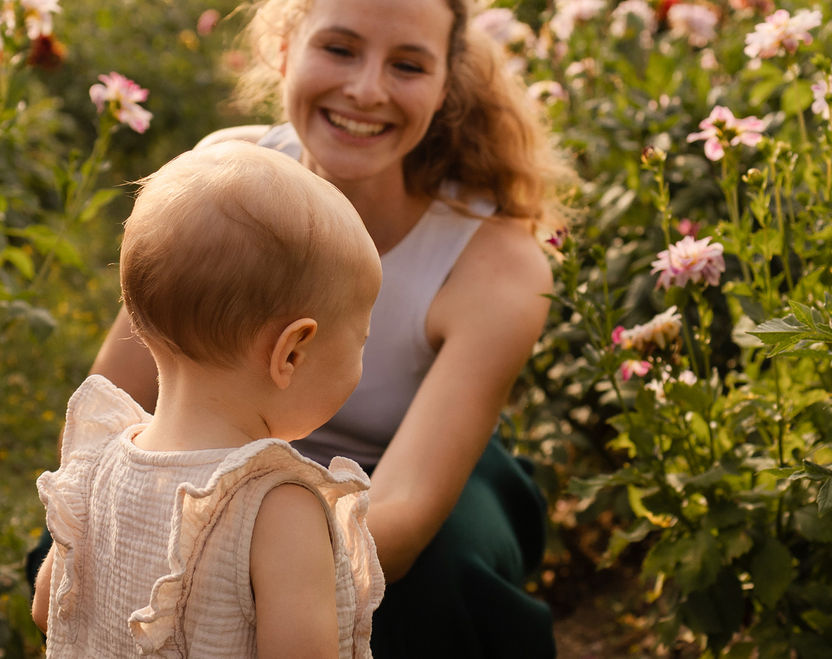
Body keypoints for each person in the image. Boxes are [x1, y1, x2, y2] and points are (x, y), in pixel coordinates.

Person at [86, 0, 576, 656]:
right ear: (286, 49)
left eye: (407, 64)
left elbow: (397, 524)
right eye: (340, 49)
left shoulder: (495, 262)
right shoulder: (224, 175)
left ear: (443, 87)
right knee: (83, 520)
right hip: (210, 456)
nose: (367, 89)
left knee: (447, 575)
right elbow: (112, 400)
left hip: (400, 476)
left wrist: (238, 545)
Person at [31, 142, 385, 657]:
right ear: (291, 352)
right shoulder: (278, 507)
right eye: (361, 342)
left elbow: (48, 608)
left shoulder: (98, 463)